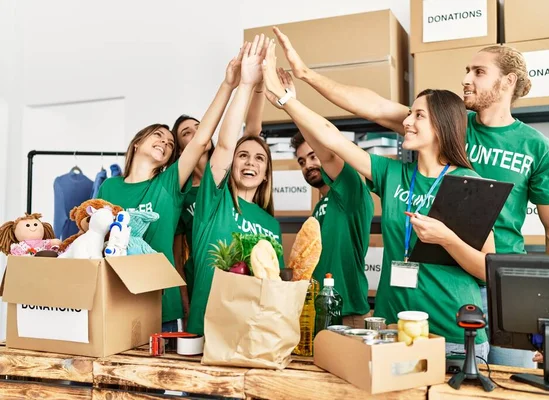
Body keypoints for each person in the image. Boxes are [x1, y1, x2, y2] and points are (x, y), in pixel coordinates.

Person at [272, 27, 549, 367]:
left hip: (487, 286)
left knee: (507, 380)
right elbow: (368, 112)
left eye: (478, 71)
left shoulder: (528, 149)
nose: (466, 79)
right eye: (466, 70)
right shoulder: (447, 129)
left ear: (508, 82)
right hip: (409, 303)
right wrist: (302, 79)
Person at [262, 39, 494, 358]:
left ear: (442, 125)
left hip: (451, 336)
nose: (407, 122)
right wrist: (288, 100)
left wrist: (447, 239)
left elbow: (487, 268)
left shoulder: (470, 183)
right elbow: (331, 138)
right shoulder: (392, 174)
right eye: (409, 114)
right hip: (392, 332)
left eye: (418, 116)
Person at [97, 45, 246, 332]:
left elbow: (202, 139)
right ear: (137, 143)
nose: (165, 143)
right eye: (158, 136)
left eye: (169, 144)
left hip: (161, 304)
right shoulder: (109, 186)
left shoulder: (168, 185)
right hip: (116, 298)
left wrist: (229, 84)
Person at [244, 67, 374, 328]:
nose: (308, 165)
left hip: (347, 313)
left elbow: (329, 149)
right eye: (302, 161)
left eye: (312, 156)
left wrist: (289, 102)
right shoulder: (319, 209)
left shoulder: (351, 191)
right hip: (315, 313)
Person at [187, 34, 284, 336]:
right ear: (231, 166)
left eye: (259, 159)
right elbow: (226, 143)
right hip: (207, 331)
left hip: (254, 332)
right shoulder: (214, 202)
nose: (250, 163)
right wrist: (245, 83)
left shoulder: (271, 223)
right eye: (243, 156)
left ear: (267, 173)